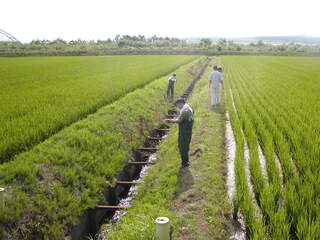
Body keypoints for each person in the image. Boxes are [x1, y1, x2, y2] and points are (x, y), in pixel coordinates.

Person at [165, 98, 194, 167]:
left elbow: (179, 120)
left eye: (177, 104)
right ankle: (185, 161)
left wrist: (169, 120)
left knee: (183, 146)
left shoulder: (185, 111)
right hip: (186, 130)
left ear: (181, 103)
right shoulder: (187, 108)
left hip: (185, 131)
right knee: (184, 146)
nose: (177, 106)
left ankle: (185, 163)